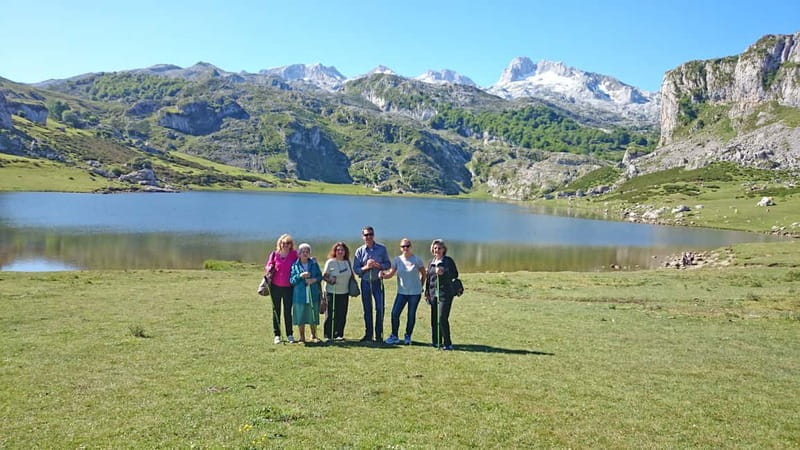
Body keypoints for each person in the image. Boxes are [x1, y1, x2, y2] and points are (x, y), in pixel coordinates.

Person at [381, 238, 426, 345]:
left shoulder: (417, 260)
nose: (405, 248)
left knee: (411, 315)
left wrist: (420, 286)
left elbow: (424, 274)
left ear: (411, 247)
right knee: (394, 313)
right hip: (402, 292)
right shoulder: (397, 260)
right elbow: (391, 274)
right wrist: (383, 275)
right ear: (400, 248)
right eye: (403, 246)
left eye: (407, 246)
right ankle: (394, 336)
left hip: (415, 293)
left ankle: (408, 335)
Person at [353, 225, 391, 342]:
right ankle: (368, 334)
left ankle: (378, 335)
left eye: (370, 234)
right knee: (367, 309)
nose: (368, 237)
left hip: (377, 283)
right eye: (366, 235)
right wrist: (366, 267)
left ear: (373, 235)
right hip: (365, 283)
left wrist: (378, 266)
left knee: (380, 308)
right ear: (362, 237)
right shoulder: (359, 251)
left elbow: (388, 264)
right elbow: (356, 269)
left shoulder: (382, 248)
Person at [425, 239, 459, 350]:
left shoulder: (448, 261)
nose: (437, 250)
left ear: (444, 249)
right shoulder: (431, 262)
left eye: (439, 248)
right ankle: (436, 342)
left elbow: (455, 274)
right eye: (435, 248)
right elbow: (429, 278)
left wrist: (443, 272)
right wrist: (427, 292)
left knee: (442, 317)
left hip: (445, 293)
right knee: (434, 319)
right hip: (433, 293)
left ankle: (447, 343)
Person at [265, 233, 298, 344]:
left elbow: (302, 261)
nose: (285, 245)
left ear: (291, 245)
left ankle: (290, 334)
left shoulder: (294, 254)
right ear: (280, 243)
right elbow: (268, 265)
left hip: (289, 287)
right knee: (276, 311)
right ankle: (277, 335)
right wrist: (270, 267)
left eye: (288, 243)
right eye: (283, 243)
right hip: (275, 287)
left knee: (288, 311)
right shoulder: (274, 254)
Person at [290, 243, 323, 343]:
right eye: (303, 252)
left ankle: (313, 335)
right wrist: (300, 275)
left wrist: (313, 280)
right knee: (300, 315)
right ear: (299, 254)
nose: (305, 254)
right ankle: (302, 337)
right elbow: (291, 280)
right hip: (300, 295)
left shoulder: (313, 263)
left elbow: (320, 276)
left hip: (312, 293)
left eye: (307, 252)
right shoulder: (295, 265)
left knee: (312, 314)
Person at [322, 242, 353, 341]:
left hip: (344, 292)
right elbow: (324, 275)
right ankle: (328, 335)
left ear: (345, 252)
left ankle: (339, 334)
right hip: (331, 292)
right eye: (338, 250)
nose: (340, 252)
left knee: (342, 314)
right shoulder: (330, 262)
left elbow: (350, 275)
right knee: (330, 314)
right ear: (334, 251)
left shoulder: (347, 262)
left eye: (342, 250)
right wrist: (330, 279)